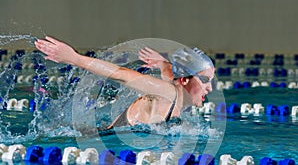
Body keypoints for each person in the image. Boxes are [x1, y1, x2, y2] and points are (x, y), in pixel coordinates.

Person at [35, 36, 214, 128]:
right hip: (105, 141)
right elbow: (123, 74)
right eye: (205, 80)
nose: (210, 88)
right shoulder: (166, 92)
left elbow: (170, 76)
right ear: (184, 79)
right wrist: (74, 58)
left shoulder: (175, 92)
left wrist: (163, 63)